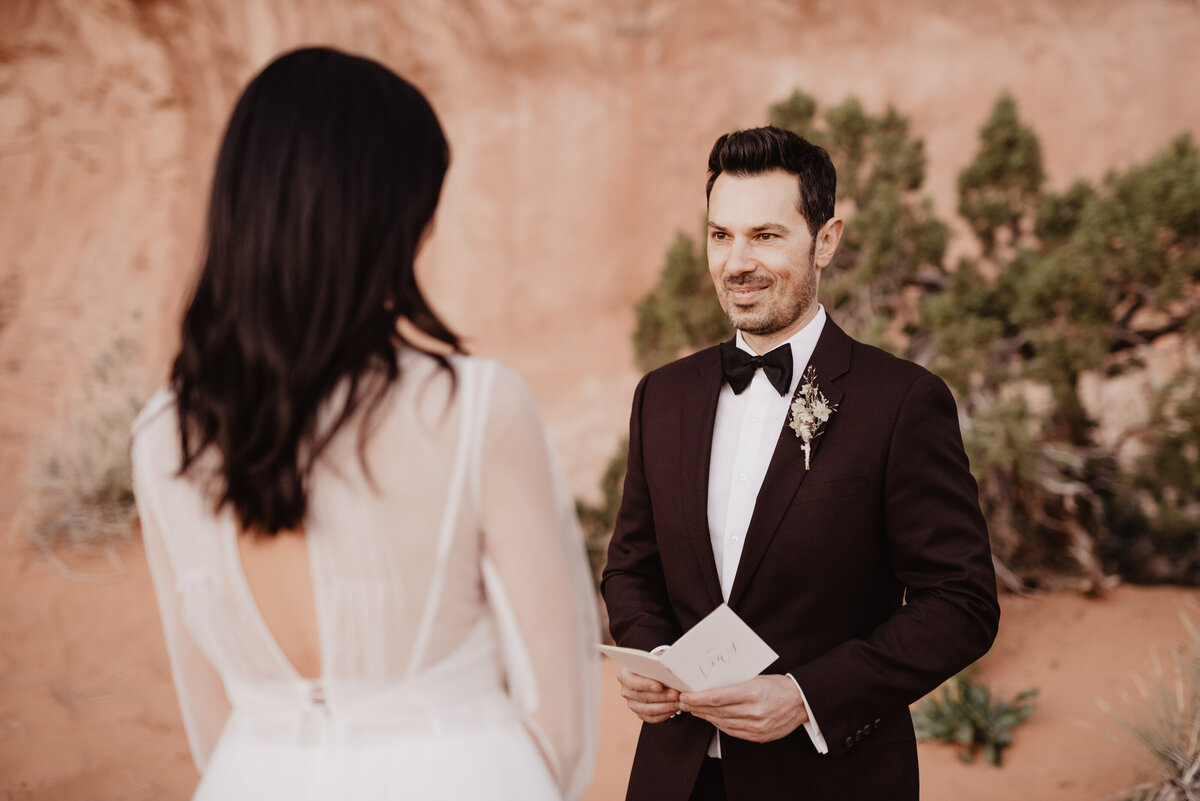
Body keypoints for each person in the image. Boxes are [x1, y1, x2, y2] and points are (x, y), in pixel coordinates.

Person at [132, 47, 598, 801]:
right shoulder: (476, 407)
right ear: (381, 218)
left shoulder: (163, 436)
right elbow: (564, 724)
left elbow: (211, 719)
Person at [601, 125, 1000, 801]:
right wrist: (654, 655)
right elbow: (630, 566)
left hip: (832, 779)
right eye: (720, 235)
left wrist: (805, 695)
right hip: (675, 777)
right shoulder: (660, 397)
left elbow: (960, 603)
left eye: (766, 235)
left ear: (827, 241)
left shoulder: (902, 402)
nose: (736, 262)